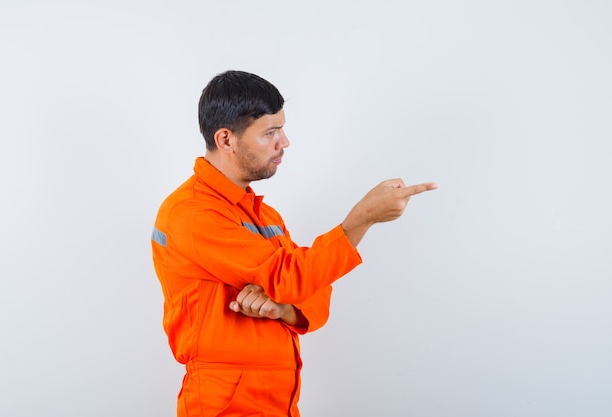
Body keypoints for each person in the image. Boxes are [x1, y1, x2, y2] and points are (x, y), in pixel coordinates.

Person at [151, 70, 437, 417]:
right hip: (225, 404)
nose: (283, 142)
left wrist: (282, 308)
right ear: (226, 140)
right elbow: (292, 277)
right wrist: (361, 219)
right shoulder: (192, 212)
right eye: (270, 132)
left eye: (282, 129)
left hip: (279, 401)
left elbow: (314, 290)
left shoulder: (265, 215)